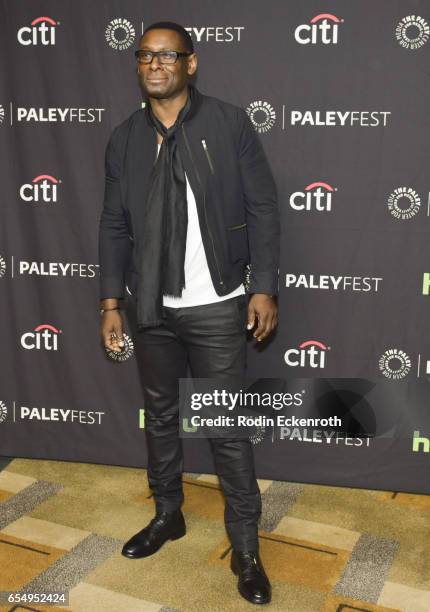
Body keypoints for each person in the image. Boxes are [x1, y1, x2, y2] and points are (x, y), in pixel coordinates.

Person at [98, 21, 279, 605]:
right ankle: (168, 516)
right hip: (151, 306)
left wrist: (265, 287)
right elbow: (114, 226)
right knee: (161, 417)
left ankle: (246, 548)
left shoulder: (228, 124)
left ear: (191, 63)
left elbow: (264, 208)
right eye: (145, 56)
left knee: (226, 428)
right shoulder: (125, 138)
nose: (155, 65)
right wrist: (110, 302)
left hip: (218, 304)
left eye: (167, 55)